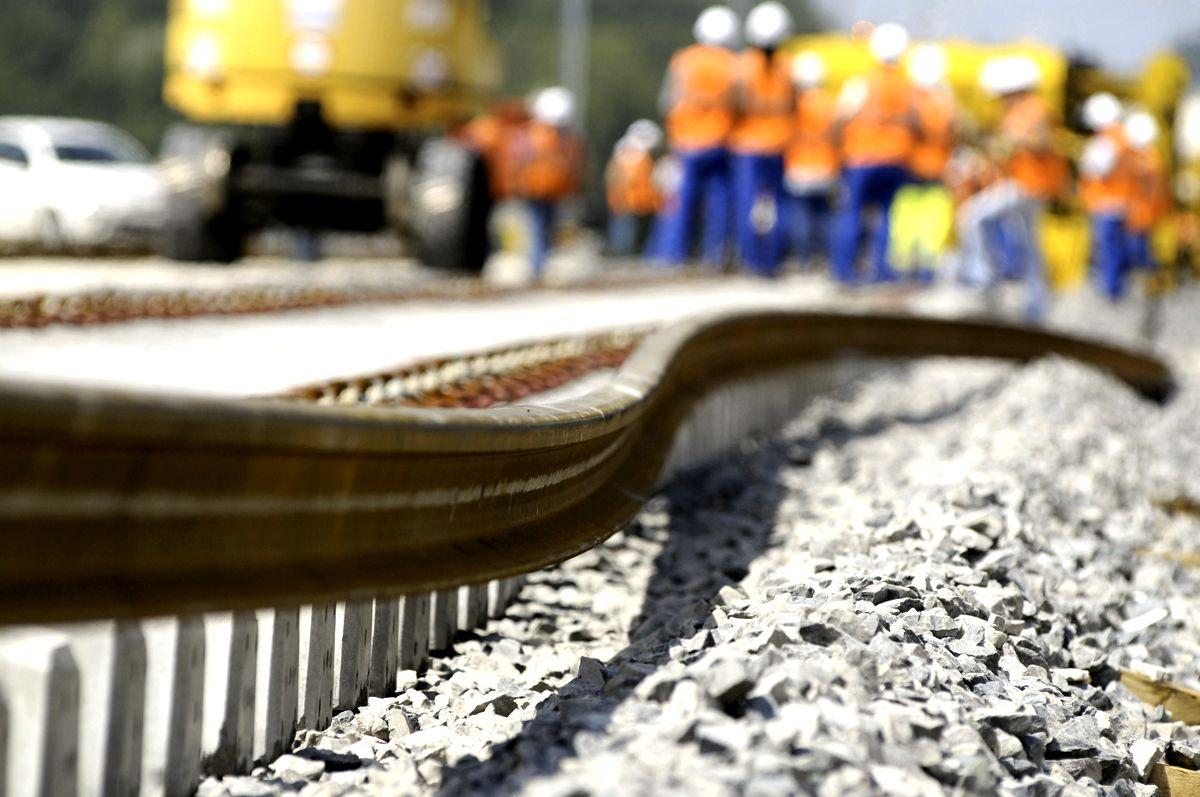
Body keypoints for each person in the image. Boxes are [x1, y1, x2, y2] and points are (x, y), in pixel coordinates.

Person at [958, 55, 1066, 321]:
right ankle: (1035, 306)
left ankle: (982, 276)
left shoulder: (1035, 109)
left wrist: (1016, 141)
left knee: (973, 215)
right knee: (1029, 245)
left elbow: (1042, 142)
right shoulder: (1017, 112)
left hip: (1030, 185)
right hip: (1025, 183)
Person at [831, 22, 918, 284]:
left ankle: (846, 271)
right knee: (886, 215)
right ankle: (882, 270)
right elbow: (915, 121)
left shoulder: (863, 83)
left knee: (852, 213)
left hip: (862, 160)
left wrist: (838, 152)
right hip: (896, 159)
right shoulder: (907, 86)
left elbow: (840, 118)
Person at [656, 5, 741, 267]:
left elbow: (667, 101)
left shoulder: (683, 61)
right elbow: (740, 104)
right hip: (720, 143)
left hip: (687, 143)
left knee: (681, 202)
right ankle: (714, 255)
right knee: (719, 203)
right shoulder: (734, 64)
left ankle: (673, 256)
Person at [728, 1, 795, 277]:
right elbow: (793, 104)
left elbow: (735, 101)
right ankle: (772, 262)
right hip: (778, 144)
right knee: (778, 204)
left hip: (748, 145)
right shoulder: (788, 66)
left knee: (748, 203)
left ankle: (752, 261)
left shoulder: (743, 65)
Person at [891, 43, 959, 280]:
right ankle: (925, 265)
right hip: (934, 166)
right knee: (932, 215)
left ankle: (907, 264)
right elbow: (952, 131)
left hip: (913, 166)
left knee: (909, 214)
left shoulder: (912, 97)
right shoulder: (947, 99)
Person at [514, 87, 585, 279]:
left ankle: (539, 265)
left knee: (543, 228)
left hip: (546, 189)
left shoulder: (535, 135)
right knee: (539, 228)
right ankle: (537, 266)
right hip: (540, 189)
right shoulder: (550, 137)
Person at [783, 52, 839, 269]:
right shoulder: (830, 103)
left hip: (798, 167)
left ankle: (804, 258)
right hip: (826, 167)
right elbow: (837, 134)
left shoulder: (792, 105)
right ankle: (826, 256)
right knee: (825, 216)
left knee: (800, 217)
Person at [1080, 92, 1136, 300]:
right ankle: (1119, 286)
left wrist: (1085, 158)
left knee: (1107, 248)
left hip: (1105, 202)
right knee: (1119, 246)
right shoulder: (1126, 137)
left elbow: (1096, 168)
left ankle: (1111, 290)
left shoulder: (1105, 141)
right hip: (1124, 202)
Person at [605, 120, 664, 257]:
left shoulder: (627, 153)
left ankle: (624, 255)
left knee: (626, 232)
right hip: (626, 204)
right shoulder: (631, 155)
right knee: (624, 234)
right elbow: (621, 180)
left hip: (633, 203)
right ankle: (621, 257)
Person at [1123, 111, 1170, 274]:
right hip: (1142, 214)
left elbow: (1149, 189)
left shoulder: (1148, 160)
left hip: (1143, 214)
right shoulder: (1149, 156)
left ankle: (1150, 279)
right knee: (1140, 250)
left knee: (1141, 252)